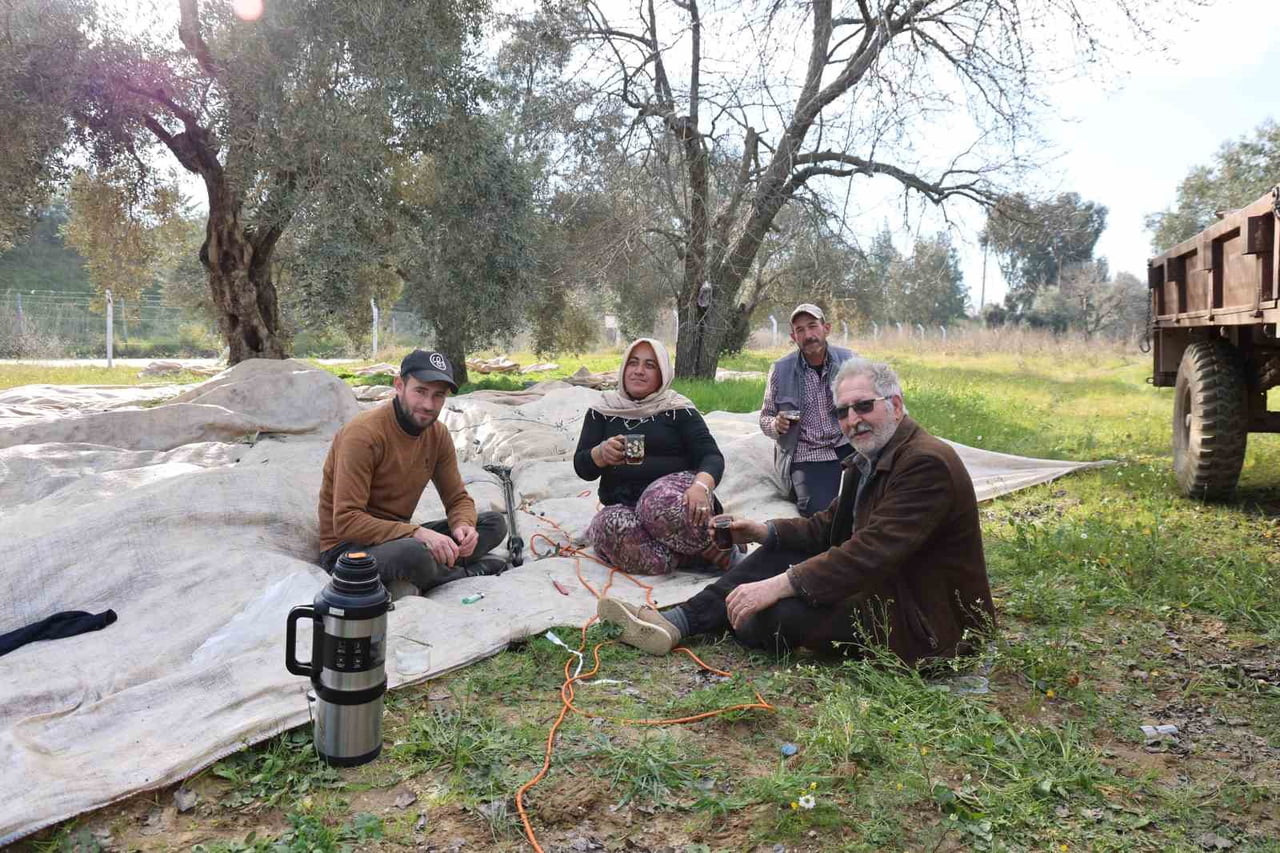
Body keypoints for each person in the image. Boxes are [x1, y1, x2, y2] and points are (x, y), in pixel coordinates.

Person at [597, 357, 995, 664]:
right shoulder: (871, 456)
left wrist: (779, 584)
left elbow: (870, 552)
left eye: (863, 406)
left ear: (895, 404)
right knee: (779, 551)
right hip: (885, 588)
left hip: (923, 620)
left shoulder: (926, 464)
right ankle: (678, 621)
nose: (852, 421)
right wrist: (763, 531)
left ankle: (702, 618)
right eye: (842, 412)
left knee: (768, 617)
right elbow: (829, 527)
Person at [317, 349, 508, 595]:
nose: (428, 405)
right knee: (413, 553)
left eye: (438, 395)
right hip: (348, 550)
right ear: (399, 386)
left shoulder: (438, 434)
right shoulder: (363, 435)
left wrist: (464, 525)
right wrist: (417, 533)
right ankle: (461, 572)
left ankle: (428, 570)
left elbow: (457, 498)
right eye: (420, 391)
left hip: (399, 536)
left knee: (494, 523)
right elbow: (346, 522)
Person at [574, 338, 732, 575]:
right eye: (633, 363)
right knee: (609, 525)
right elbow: (582, 467)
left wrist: (701, 487)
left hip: (676, 500)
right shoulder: (603, 411)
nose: (638, 371)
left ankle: (714, 544)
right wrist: (600, 454)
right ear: (624, 368)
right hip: (625, 504)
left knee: (656, 502)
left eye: (650, 365)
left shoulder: (678, 409)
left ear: (662, 374)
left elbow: (711, 456)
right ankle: (686, 557)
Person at [760, 303, 858, 517]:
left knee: (872, 496)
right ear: (793, 337)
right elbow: (765, 418)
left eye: (813, 326)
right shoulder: (780, 370)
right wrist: (776, 425)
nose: (808, 335)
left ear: (826, 328)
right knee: (821, 514)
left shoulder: (851, 361)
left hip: (848, 444)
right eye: (800, 330)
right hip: (807, 454)